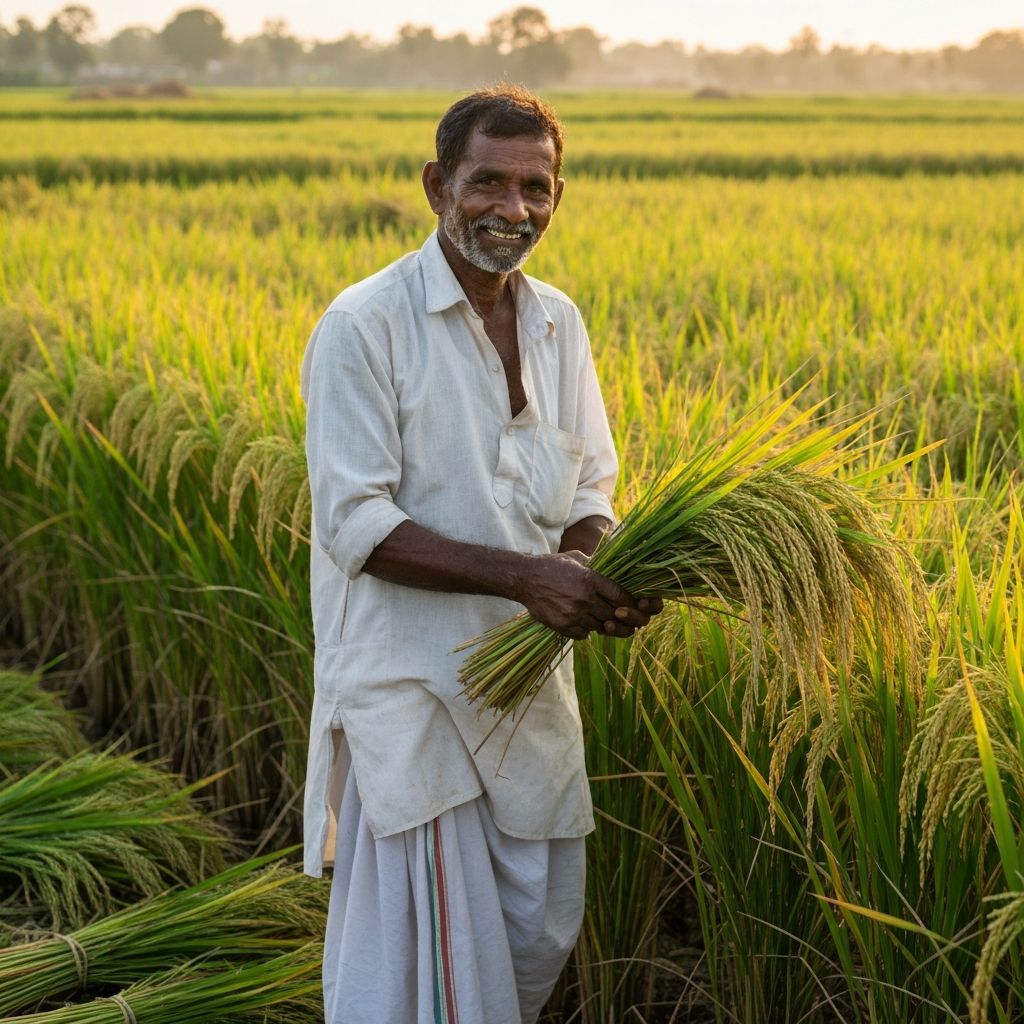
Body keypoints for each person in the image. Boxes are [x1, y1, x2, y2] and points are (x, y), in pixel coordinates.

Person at [300, 84, 662, 1024]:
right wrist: (528, 577)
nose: (514, 209)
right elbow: (356, 525)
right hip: (411, 697)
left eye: (535, 187)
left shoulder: (559, 324)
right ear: (436, 185)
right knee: (426, 973)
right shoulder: (364, 325)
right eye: (488, 183)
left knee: (534, 932)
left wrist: (583, 572)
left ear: (558, 196)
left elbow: (591, 493)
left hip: (525, 693)